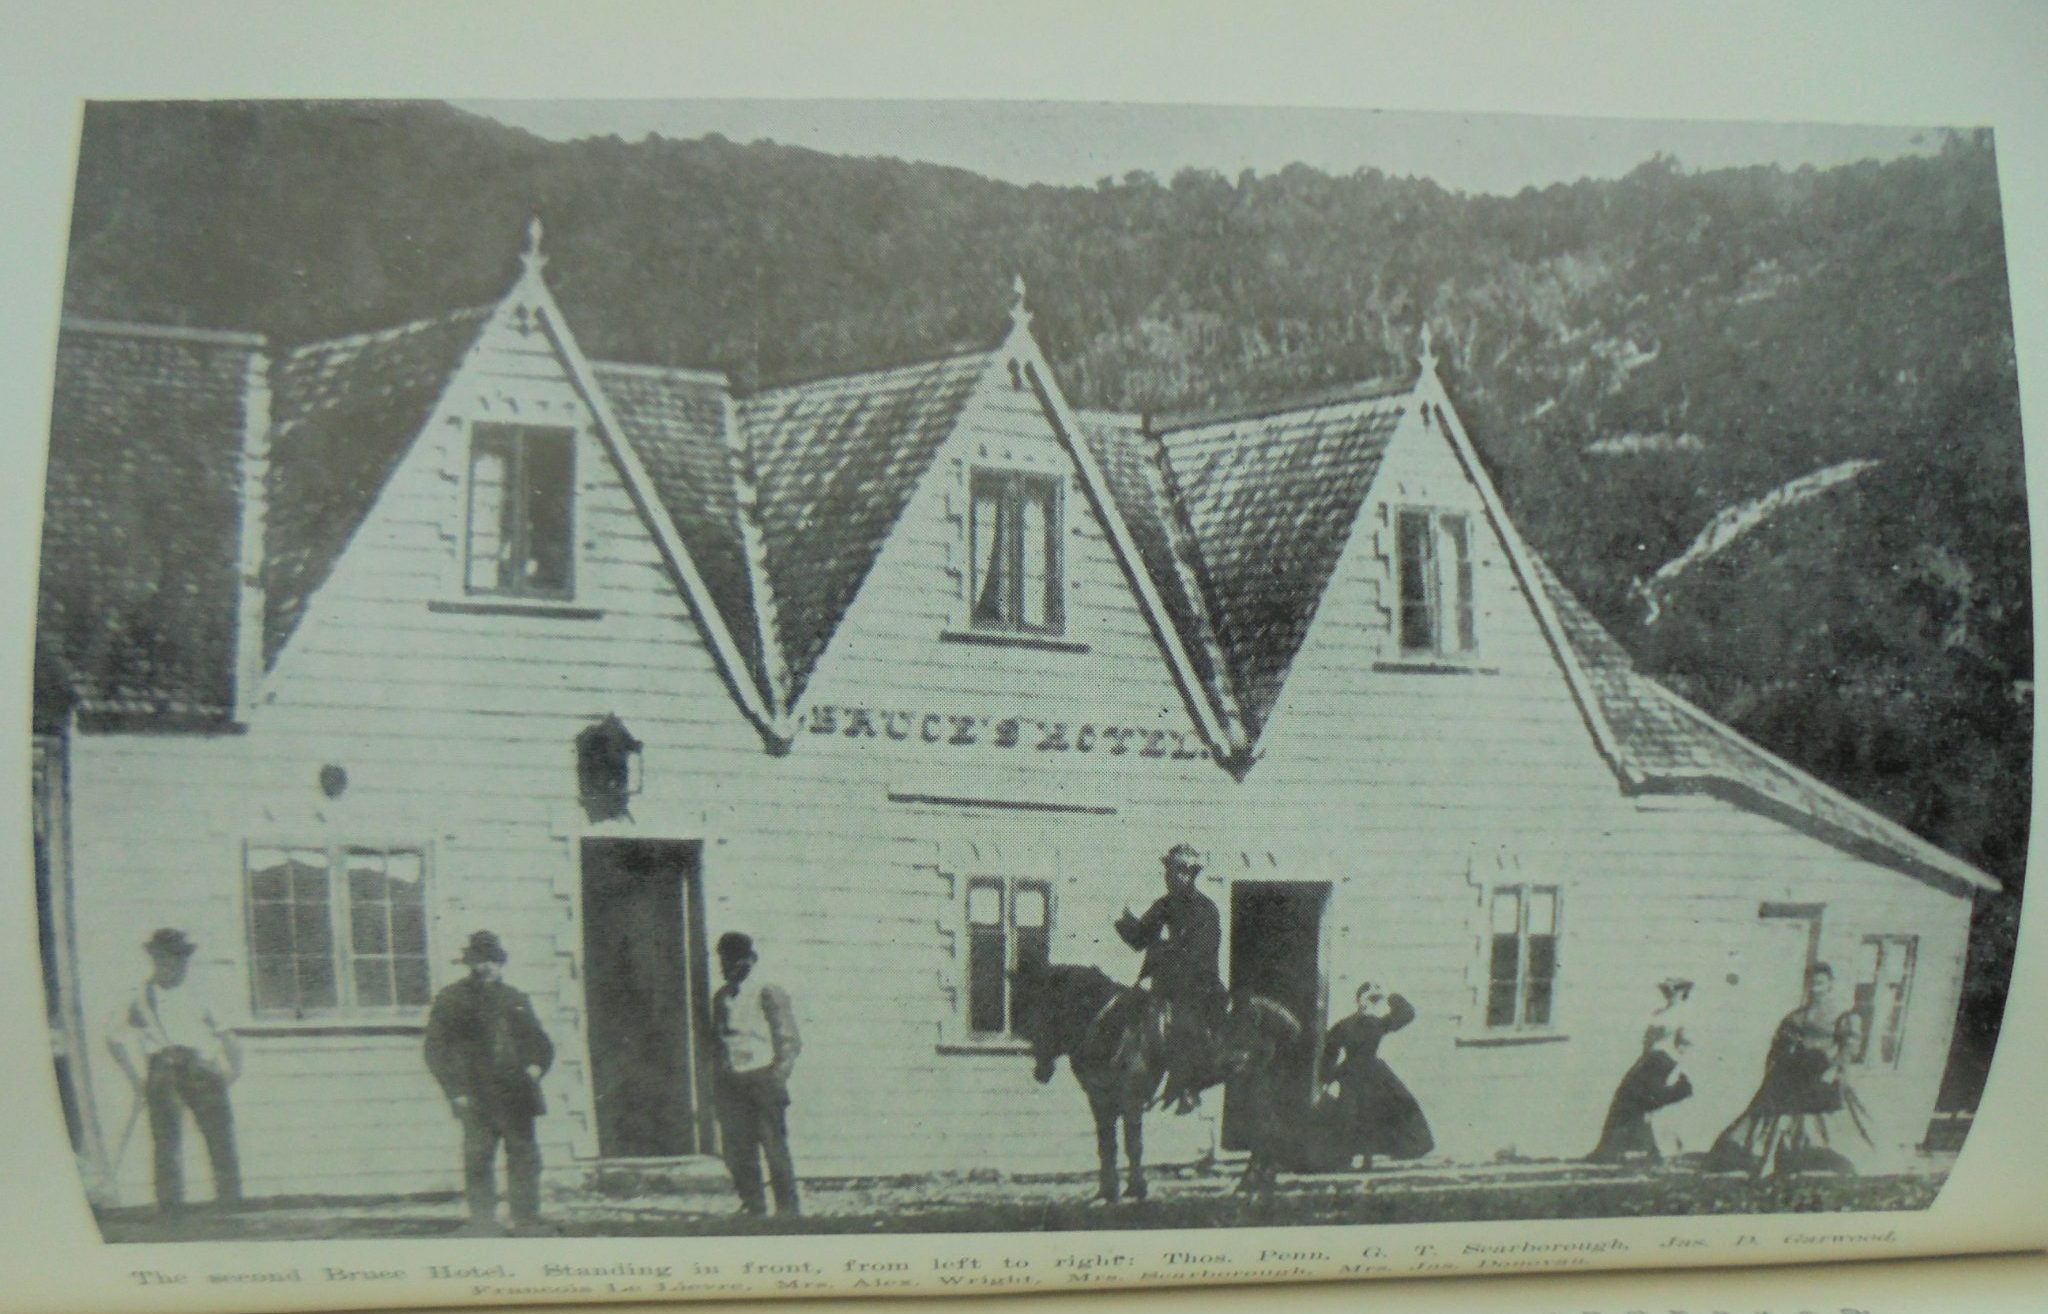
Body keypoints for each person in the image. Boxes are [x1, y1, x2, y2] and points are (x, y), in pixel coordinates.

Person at [424, 930, 556, 1236]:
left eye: (492, 960)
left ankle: (526, 1221)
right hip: (476, 1095)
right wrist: (455, 1091)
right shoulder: (452, 1000)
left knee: (524, 1157)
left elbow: (540, 1044)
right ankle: (483, 1223)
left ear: (501, 963)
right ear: (469, 963)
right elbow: (435, 1050)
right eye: (479, 960)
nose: (486, 966)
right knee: (479, 1157)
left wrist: (535, 1068)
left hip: (516, 1094)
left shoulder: (515, 999)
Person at [105, 928, 243, 1212]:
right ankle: (171, 1210)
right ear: (155, 959)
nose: (174, 965)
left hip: (202, 1068)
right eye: (166, 958)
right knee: (166, 1142)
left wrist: (234, 1070)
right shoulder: (140, 997)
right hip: (163, 1069)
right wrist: (135, 1080)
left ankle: (230, 1204)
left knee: (220, 1136)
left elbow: (228, 1036)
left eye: (180, 959)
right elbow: (112, 1038)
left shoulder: (199, 993)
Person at [1705, 961, 1874, 1176]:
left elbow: (1850, 1046)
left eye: (1820, 984)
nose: (1815, 989)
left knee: (1824, 1119)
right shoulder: (1797, 1015)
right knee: (1775, 1112)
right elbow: (1781, 1042)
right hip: (1796, 1072)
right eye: (1812, 984)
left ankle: (1830, 1157)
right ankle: (1772, 1157)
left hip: (1824, 1071)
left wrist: (1834, 1069)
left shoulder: (1841, 1014)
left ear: (1830, 984)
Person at [1115, 842, 1227, 1113]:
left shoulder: (1206, 910)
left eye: (1177, 872)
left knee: (1184, 1025)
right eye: (1169, 872)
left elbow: (1199, 955)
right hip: (1163, 983)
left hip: (1198, 985)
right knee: (1127, 1012)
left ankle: (1186, 1086)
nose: (1170, 877)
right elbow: (1141, 938)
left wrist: (1163, 950)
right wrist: (1123, 919)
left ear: (1190, 875)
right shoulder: (1163, 906)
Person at [713, 931, 802, 1217]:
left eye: (737, 960)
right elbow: (718, 1040)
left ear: (751, 960)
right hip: (734, 1082)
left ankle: (787, 1211)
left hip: (763, 1079)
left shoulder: (767, 991)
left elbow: (789, 1040)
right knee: (738, 1150)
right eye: (725, 960)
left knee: (773, 1146)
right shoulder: (721, 997)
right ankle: (753, 1205)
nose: (730, 966)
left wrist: (777, 1076)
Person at [1319, 982, 1433, 1169]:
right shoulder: (1345, 1025)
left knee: (1391, 1107)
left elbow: (1407, 1014)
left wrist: (1389, 995)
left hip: (1375, 1073)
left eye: (1374, 1000)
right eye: (1367, 999)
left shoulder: (1378, 1023)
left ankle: (1369, 1158)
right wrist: (1328, 1078)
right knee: (1349, 1114)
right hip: (1351, 1074)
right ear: (1358, 1000)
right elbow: (1329, 1051)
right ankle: (1343, 1159)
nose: (1370, 1004)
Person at [1588, 1022, 1694, 1163]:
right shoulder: (1660, 1060)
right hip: (1629, 1129)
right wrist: (1682, 1089)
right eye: (1684, 1043)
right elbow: (1653, 1099)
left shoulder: (1653, 1060)